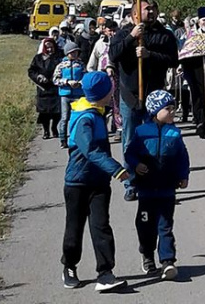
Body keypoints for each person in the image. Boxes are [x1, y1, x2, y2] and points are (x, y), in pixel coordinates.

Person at [60, 71, 130, 291]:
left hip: (99, 184)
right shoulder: (84, 118)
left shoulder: (98, 111)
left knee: (101, 227)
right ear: (101, 94)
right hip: (77, 183)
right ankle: (69, 266)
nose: (112, 94)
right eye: (110, 91)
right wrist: (116, 170)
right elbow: (90, 150)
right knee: (74, 228)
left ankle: (105, 273)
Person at [108, 0, 179, 202]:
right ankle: (130, 183)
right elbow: (114, 54)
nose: (152, 11)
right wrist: (132, 37)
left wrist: (150, 55)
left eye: (154, 8)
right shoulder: (123, 34)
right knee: (129, 141)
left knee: (154, 141)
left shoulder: (164, 35)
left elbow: (173, 60)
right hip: (129, 95)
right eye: (147, 9)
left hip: (154, 98)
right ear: (135, 14)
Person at [124, 90, 189, 281]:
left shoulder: (175, 133)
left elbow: (182, 157)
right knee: (145, 226)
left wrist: (183, 175)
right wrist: (136, 165)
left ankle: (168, 261)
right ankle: (147, 254)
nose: (172, 112)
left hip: (167, 189)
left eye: (174, 108)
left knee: (165, 226)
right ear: (155, 111)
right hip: (145, 191)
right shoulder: (141, 132)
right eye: (168, 108)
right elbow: (130, 153)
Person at [178, 7, 205, 139]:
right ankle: (200, 124)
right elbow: (185, 52)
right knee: (197, 98)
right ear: (199, 22)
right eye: (204, 20)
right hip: (195, 71)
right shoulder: (192, 36)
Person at [53, 40, 86, 148]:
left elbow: (86, 77)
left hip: (78, 94)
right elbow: (55, 79)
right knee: (64, 118)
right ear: (67, 53)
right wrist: (67, 82)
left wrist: (79, 83)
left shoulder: (81, 64)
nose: (75, 54)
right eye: (72, 52)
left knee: (77, 117)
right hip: (65, 95)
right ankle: (63, 139)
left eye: (76, 52)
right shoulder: (61, 66)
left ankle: (76, 138)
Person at [27, 37, 61, 139]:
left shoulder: (59, 57)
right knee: (44, 113)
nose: (50, 50)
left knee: (57, 112)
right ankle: (46, 131)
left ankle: (54, 128)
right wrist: (38, 77)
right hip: (43, 89)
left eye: (51, 47)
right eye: (47, 48)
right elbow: (31, 71)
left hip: (55, 88)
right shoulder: (38, 58)